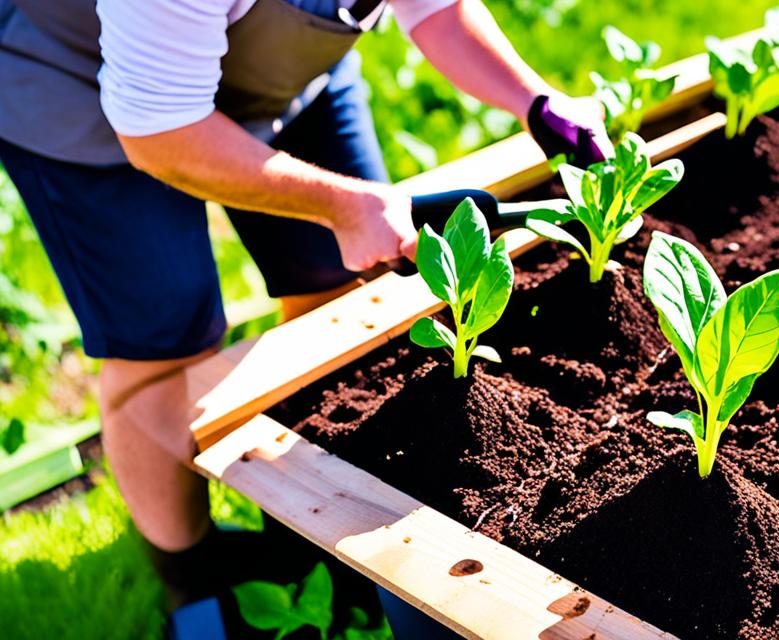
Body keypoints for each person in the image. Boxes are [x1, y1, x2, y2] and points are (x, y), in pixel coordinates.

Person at [0, 0, 611, 634]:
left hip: (280, 74)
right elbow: (158, 129)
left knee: (336, 292)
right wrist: (345, 207)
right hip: (83, 93)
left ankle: (303, 536)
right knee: (163, 338)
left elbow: (440, 9)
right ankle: (195, 581)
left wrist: (535, 100)